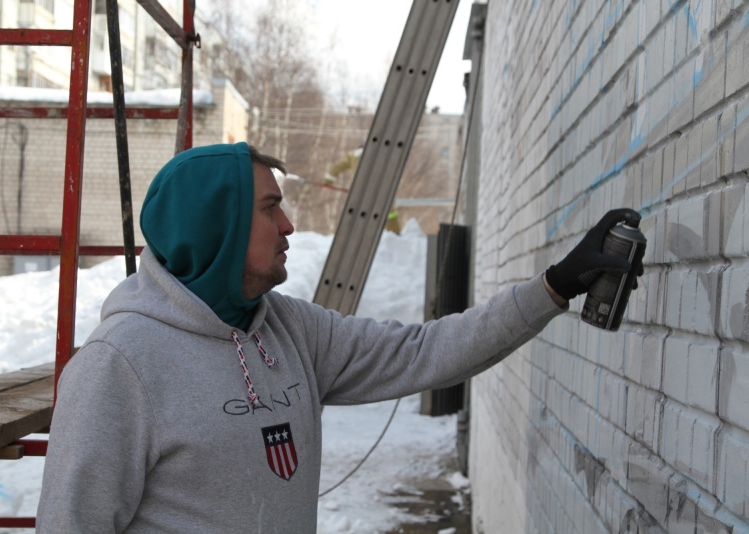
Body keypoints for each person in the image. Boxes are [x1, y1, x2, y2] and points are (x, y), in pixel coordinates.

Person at [36, 142, 642, 533]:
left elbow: (425, 351)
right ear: (217, 226)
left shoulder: (291, 327)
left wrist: (556, 287)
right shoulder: (119, 367)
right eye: (271, 208)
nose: (290, 225)